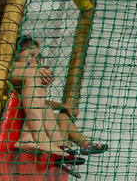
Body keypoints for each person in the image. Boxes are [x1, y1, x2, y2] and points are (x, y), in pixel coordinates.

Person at [9, 37, 107, 167]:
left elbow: (35, 101)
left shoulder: (26, 74)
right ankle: (61, 150)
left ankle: (72, 148)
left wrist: (63, 105)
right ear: (16, 53)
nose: (34, 60)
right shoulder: (12, 70)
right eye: (31, 55)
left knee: (62, 117)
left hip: (33, 114)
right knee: (48, 110)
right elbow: (36, 102)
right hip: (30, 116)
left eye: (36, 57)